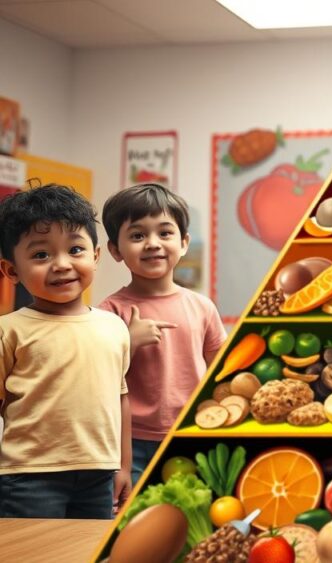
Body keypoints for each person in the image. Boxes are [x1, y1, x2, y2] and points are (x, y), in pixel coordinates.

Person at [0, 184, 132, 518]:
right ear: (12, 270)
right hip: (29, 476)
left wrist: (124, 466)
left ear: (96, 256)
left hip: (99, 473)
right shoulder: (9, 330)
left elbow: (120, 399)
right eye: (41, 254)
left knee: (87, 552)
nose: (61, 264)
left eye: (75, 249)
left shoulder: (113, 327)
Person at [99, 183, 225, 485]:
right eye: (137, 235)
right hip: (131, 442)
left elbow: (221, 373)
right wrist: (128, 342)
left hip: (192, 432)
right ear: (116, 250)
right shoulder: (109, 311)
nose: (152, 243)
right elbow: (97, 380)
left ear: (183, 243)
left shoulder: (201, 306)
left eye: (164, 233)